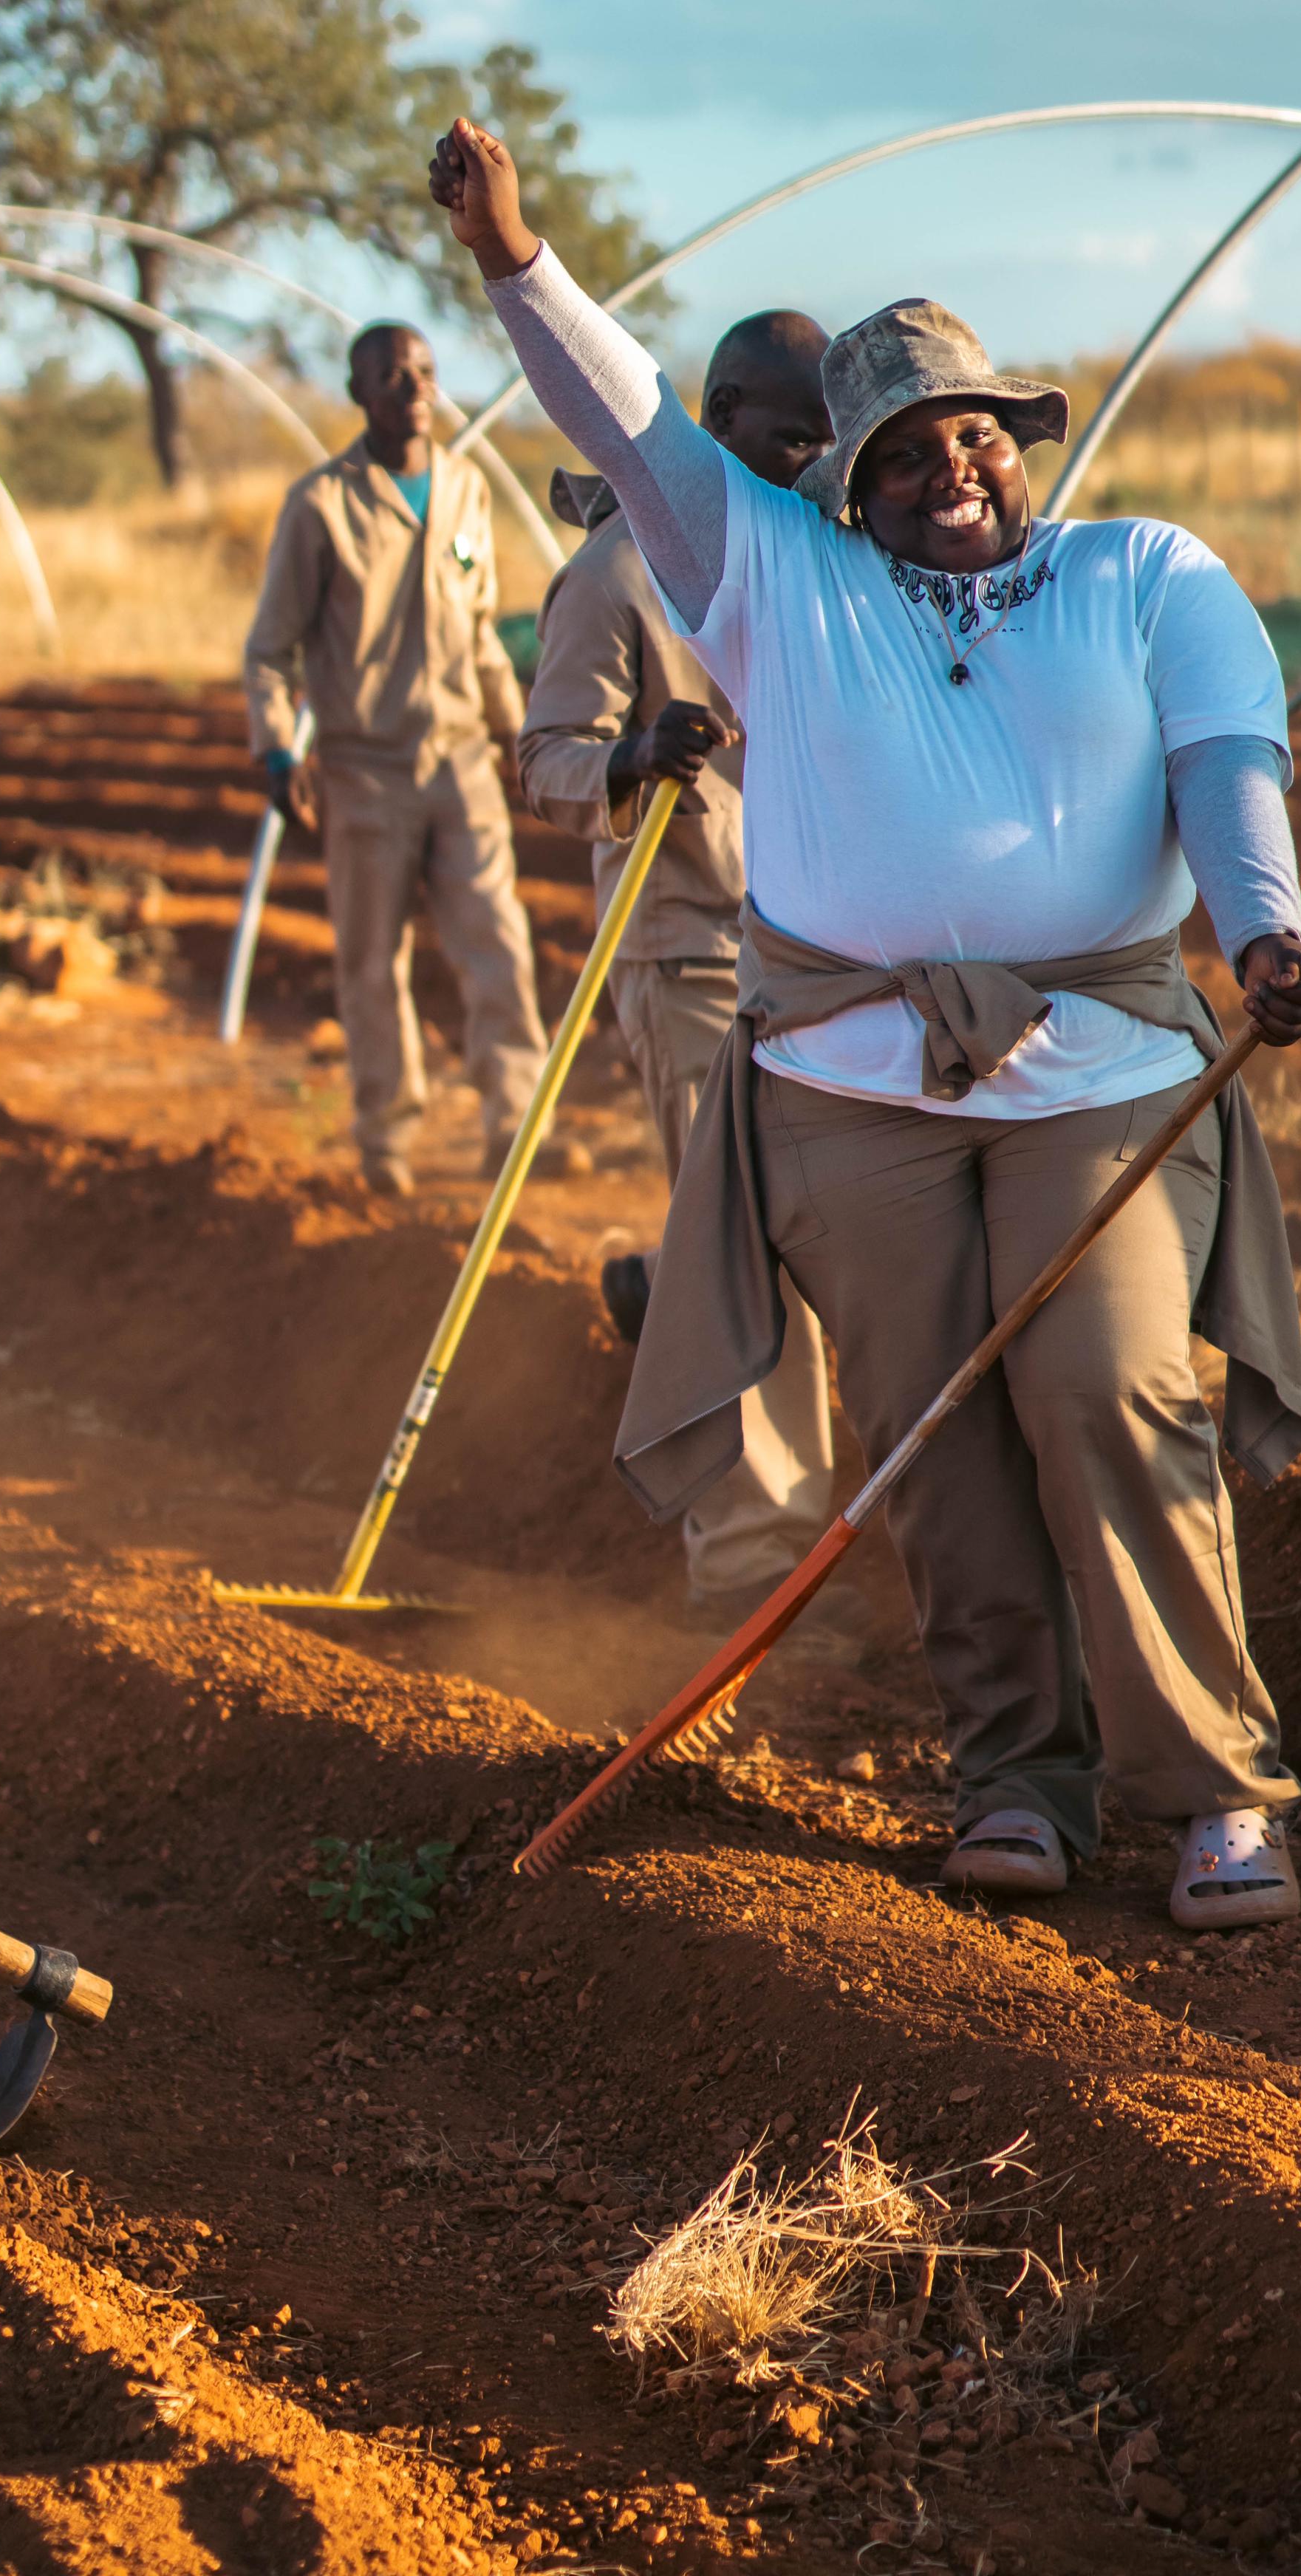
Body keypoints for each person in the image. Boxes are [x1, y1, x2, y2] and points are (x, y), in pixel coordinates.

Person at [431, 117, 1301, 1928]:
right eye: (906, 451)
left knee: (1112, 1390)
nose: (951, 467)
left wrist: (1264, 935)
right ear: (846, 484)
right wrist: (512, 257)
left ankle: (1211, 1791)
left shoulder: (1145, 576)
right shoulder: (775, 580)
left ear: (1020, 443)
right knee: (933, 1434)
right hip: (856, 1090)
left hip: (1100, 1073)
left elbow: (1227, 768)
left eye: (975, 432)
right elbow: (626, 418)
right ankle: (1015, 1778)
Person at [519, 312, 839, 1620]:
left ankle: (667, 1288)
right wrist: (636, 756)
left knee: (808, 1236)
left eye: (827, 437)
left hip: (817, 955)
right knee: (755, 1257)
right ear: (719, 415)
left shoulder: (810, 549)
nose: (812, 457)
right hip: (688, 952)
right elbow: (545, 759)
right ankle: (755, 1576)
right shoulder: (616, 571)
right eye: (787, 433)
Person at [244, 321, 548, 1197]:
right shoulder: (320, 506)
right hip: (363, 768)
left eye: (422, 371)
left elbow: (485, 630)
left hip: (459, 759)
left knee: (497, 940)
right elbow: (271, 650)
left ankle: (516, 1123)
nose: (413, 387)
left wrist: (522, 734)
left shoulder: (464, 491)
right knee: (372, 960)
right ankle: (385, 1138)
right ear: (359, 394)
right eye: (390, 375)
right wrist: (275, 750)